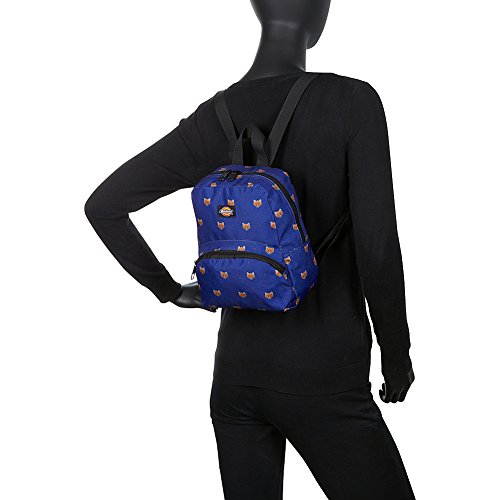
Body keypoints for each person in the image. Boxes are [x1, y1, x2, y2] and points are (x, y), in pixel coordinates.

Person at [84, 1, 416, 498]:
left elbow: (104, 206)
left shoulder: (213, 117)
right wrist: (397, 355)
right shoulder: (351, 101)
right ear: (319, 14)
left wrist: (170, 290)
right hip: (324, 377)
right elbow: (378, 245)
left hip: (236, 382)